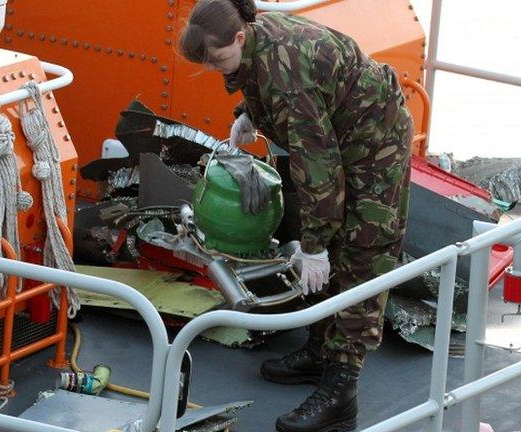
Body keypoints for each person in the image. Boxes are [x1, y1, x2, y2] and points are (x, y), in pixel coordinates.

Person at [180, 1, 413, 431]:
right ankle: (320, 351)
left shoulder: (287, 78)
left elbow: (318, 171)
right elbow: (258, 75)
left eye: (218, 58)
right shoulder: (254, 35)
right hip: (336, 127)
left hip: (374, 140)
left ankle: (342, 390)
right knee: (326, 240)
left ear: (238, 36)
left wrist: (316, 245)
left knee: (363, 250)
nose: (215, 69)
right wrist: (250, 112)